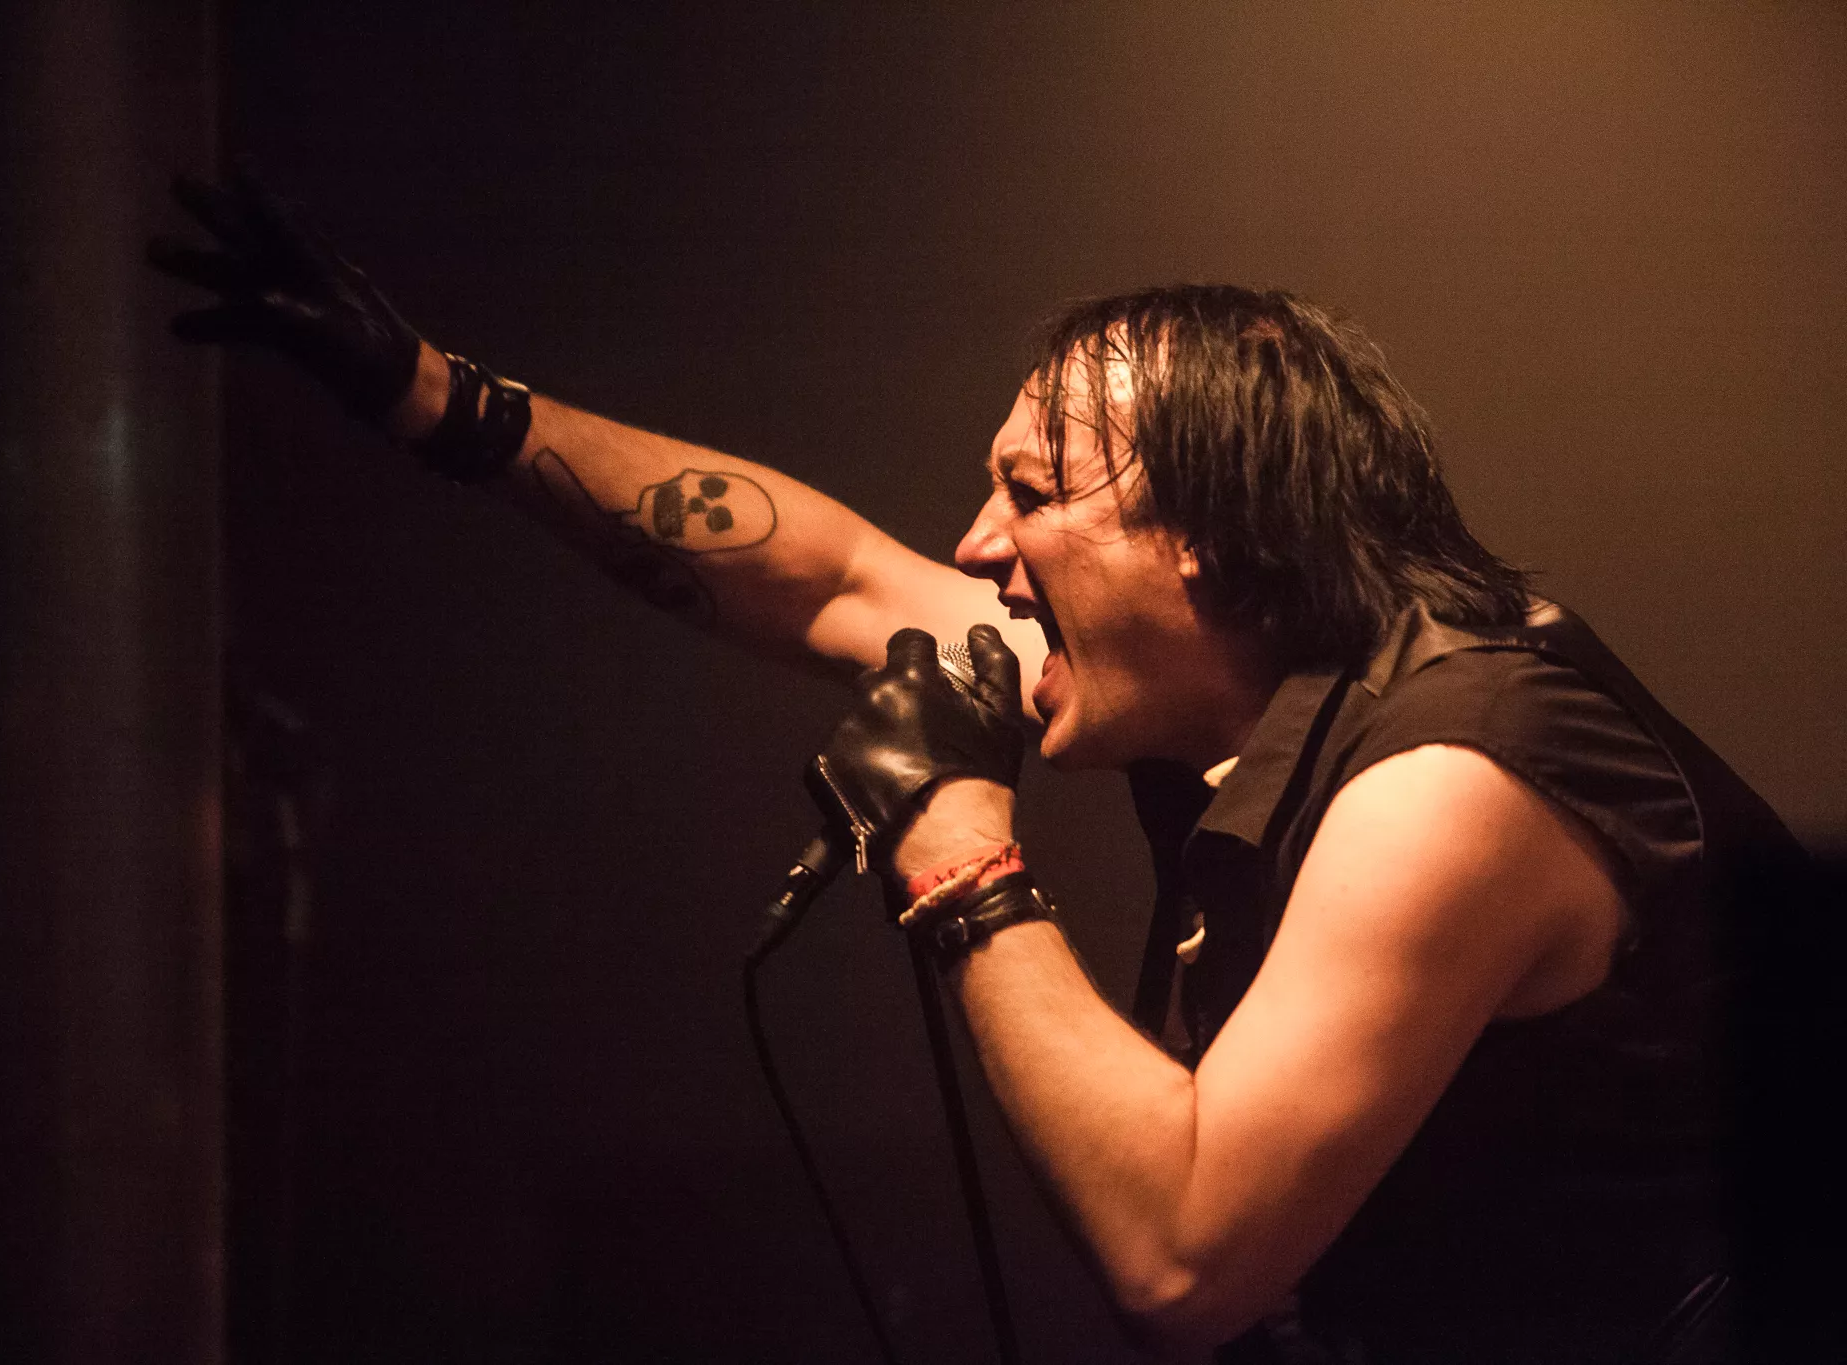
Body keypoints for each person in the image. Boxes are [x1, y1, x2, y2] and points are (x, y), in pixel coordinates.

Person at [152, 169, 1812, 1363]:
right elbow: (831, 578)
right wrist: (444, 402)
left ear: (1209, 539)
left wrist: (958, 846)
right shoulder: (1235, 672)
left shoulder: (1451, 781)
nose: (977, 548)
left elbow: (1183, 1261)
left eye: (1031, 494)